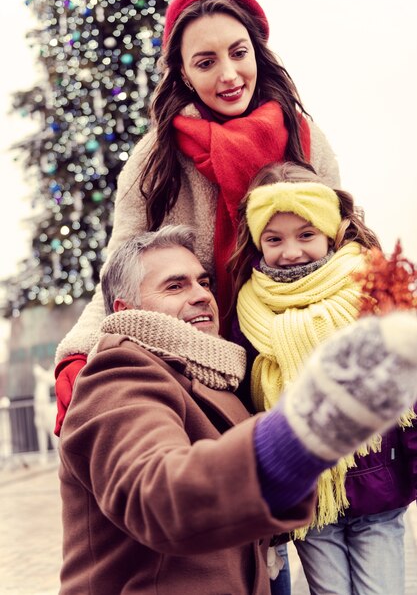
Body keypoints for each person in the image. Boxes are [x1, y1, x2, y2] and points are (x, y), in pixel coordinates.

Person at [58, 225, 417, 595]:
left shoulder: (214, 373)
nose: (202, 296)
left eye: (204, 282)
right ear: (125, 308)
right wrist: (307, 425)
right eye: (175, 286)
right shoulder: (118, 376)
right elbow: (160, 497)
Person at [53, 0, 342, 437]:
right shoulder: (155, 159)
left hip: (304, 359)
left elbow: (342, 246)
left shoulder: (303, 138)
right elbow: (120, 269)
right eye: (206, 62)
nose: (228, 75)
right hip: (207, 375)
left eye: (238, 52)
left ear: (256, 53)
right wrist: (79, 351)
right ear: (184, 73)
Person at [229, 162, 417, 595]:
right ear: (257, 241)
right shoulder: (249, 305)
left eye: (306, 235)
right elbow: (247, 401)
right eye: (274, 239)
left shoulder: (369, 287)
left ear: (332, 233)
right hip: (308, 496)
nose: (290, 251)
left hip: (377, 485)